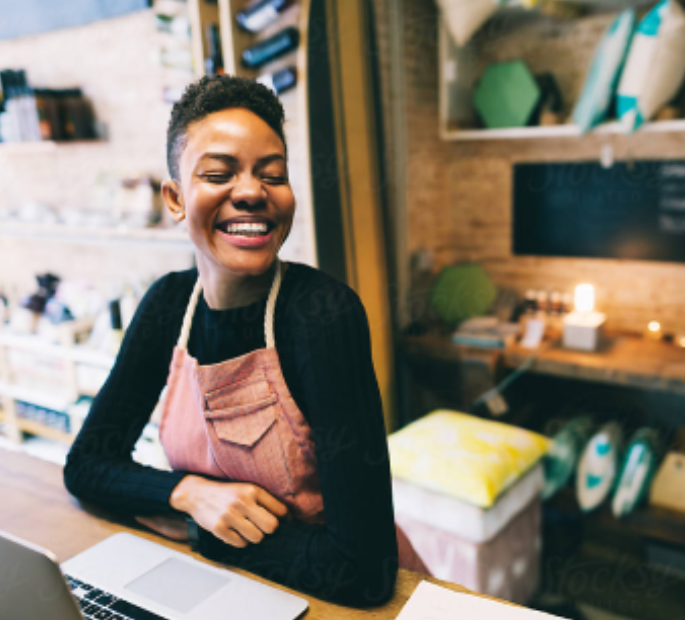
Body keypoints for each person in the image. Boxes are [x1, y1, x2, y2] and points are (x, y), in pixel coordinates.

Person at [63, 75, 423, 607]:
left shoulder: (321, 315)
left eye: (272, 175)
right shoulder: (167, 305)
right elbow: (88, 464)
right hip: (227, 593)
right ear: (176, 198)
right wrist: (186, 493)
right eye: (218, 173)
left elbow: (362, 570)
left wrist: (197, 528)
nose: (252, 192)